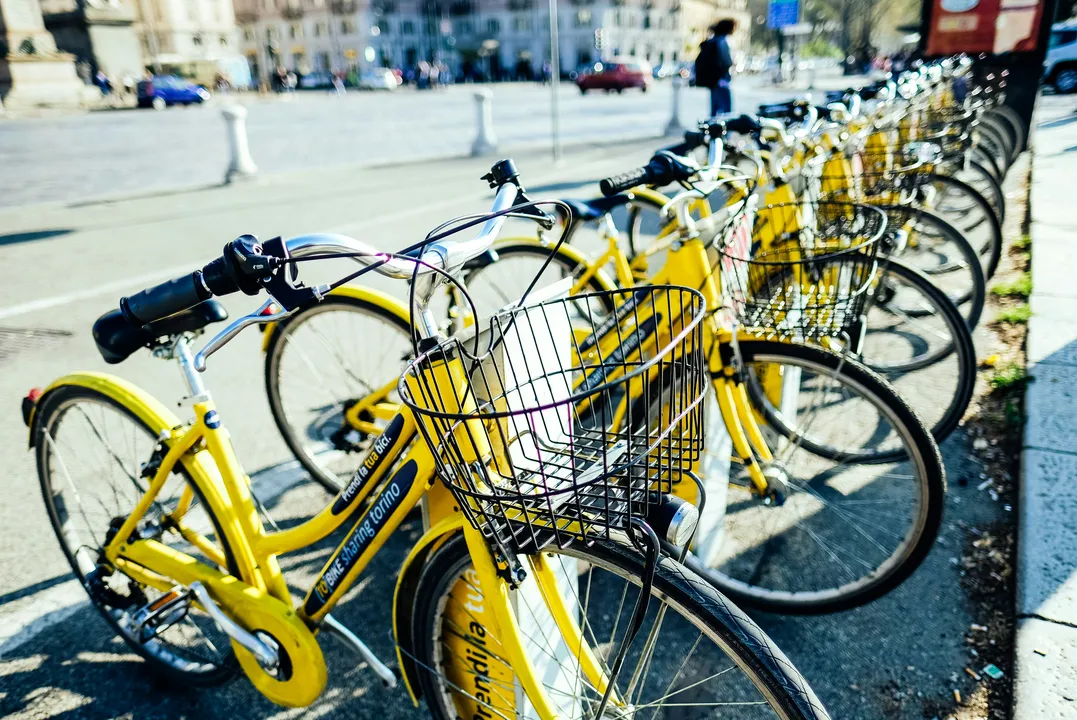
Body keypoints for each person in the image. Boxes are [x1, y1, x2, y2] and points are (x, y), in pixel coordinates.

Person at [695, 19, 735, 117]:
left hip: (713, 80)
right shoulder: (722, 41)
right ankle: (724, 130)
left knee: (714, 109)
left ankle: (712, 130)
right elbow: (727, 61)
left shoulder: (714, 40)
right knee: (727, 110)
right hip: (722, 80)